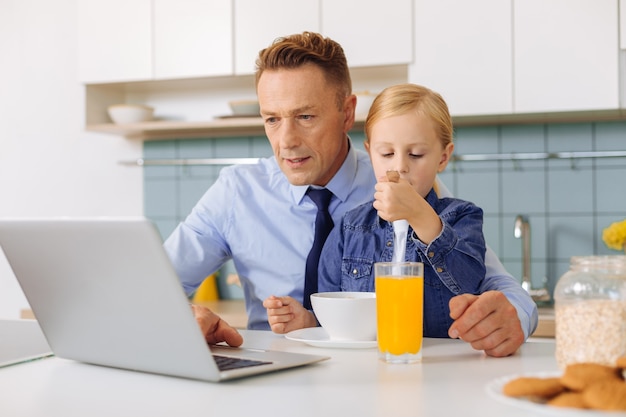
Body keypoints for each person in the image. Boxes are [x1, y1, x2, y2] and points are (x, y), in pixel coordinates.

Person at [164, 31, 537, 356]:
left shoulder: (402, 185)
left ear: (347, 113)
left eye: (305, 117)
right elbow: (153, 284)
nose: (286, 141)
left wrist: (513, 317)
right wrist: (182, 318)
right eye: (272, 119)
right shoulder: (235, 192)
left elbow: (489, 279)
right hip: (274, 381)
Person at [266, 82, 489, 339]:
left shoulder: (462, 218)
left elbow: (470, 283)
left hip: (439, 366)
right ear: (371, 153)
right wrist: (308, 321)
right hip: (365, 367)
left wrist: (420, 215)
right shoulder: (350, 228)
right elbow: (335, 308)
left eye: (415, 154)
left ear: (443, 157)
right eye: (387, 153)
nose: (399, 167)